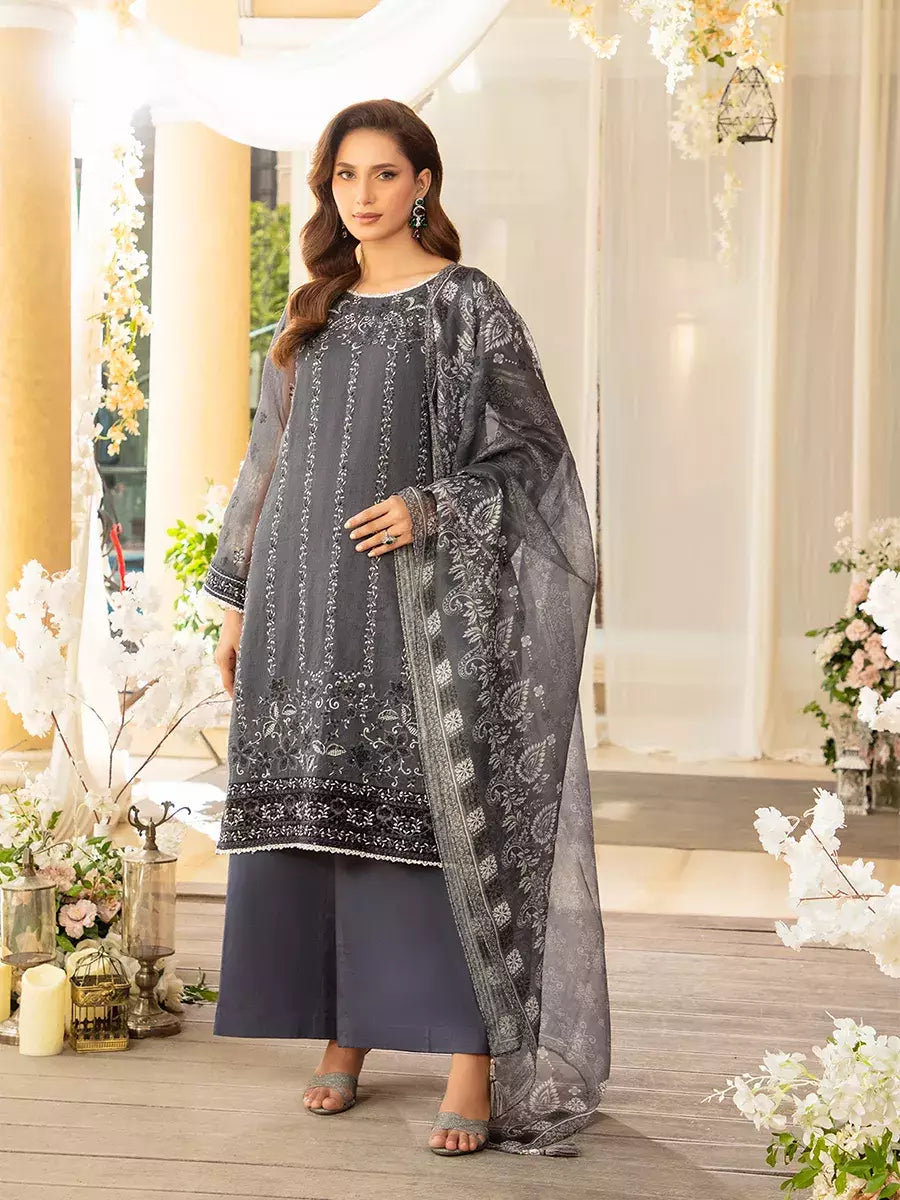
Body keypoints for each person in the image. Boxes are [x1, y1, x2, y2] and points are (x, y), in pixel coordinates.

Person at [203, 97, 610, 1158]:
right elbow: (265, 461)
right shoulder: (314, 308)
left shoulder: (466, 305)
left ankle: (471, 1059)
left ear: (422, 182)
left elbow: (534, 457)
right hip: (300, 605)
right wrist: (237, 601)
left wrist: (432, 507)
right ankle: (344, 1034)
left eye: (384, 173)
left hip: (417, 613)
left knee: (433, 826)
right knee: (322, 822)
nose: (364, 194)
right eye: (345, 176)